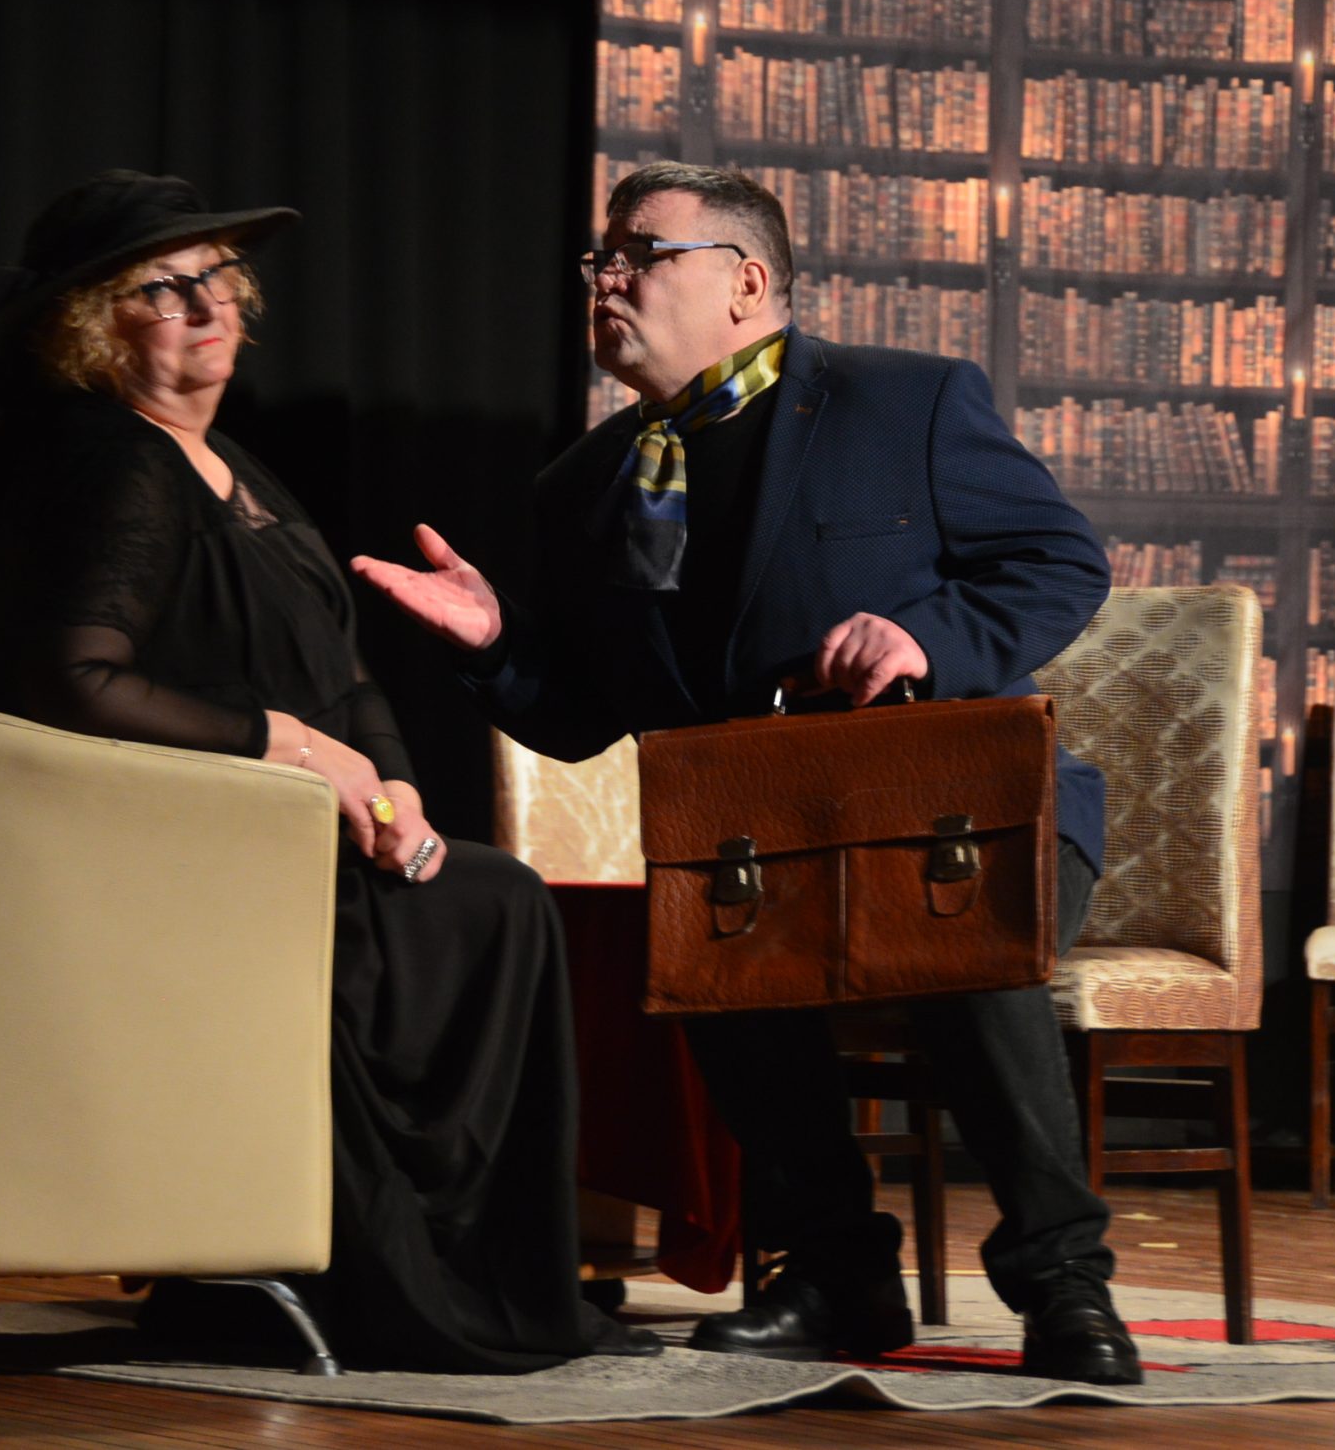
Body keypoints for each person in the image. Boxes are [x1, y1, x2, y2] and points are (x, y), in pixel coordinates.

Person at [353, 162, 1142, 1383]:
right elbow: (578, 721)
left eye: (640, 254)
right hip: (761, 843)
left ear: (746, 280)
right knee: (720, 948)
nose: (605, 279)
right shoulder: (585, 486)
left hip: (960, 820)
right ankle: (832, 1272)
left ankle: (1063, 1283)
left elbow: (1058, 563)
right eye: (600, 259)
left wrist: (923, 639)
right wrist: (495, 643)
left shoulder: (904, 401)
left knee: (959, 949)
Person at [0, 170, 658, 1373]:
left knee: (482, 894)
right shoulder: (112, 462)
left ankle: (447, 1269)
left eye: (219, 281)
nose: (208, 308)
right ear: (92, 327)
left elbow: (346, 679)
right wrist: (291, 747)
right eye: (164, 289)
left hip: (275, 838)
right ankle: (379, 1277)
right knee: (493, 905)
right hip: (175, 854)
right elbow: (73, 682)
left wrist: (396, 792)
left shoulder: (235, 467)